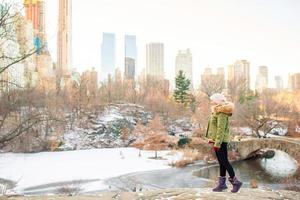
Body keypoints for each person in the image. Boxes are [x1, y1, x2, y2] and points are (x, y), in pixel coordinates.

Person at [205, 93, 243, 193]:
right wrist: (211, 139)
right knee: (222, 162)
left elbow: (221, 129)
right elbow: (214, 127)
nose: (211, 102)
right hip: (217, 140)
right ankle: (222, 184)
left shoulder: (221, 112)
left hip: (221, 141)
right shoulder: (217, 110)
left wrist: (217, 143)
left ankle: (236, 182)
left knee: (224, 161)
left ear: (217, 101)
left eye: (213, 100)